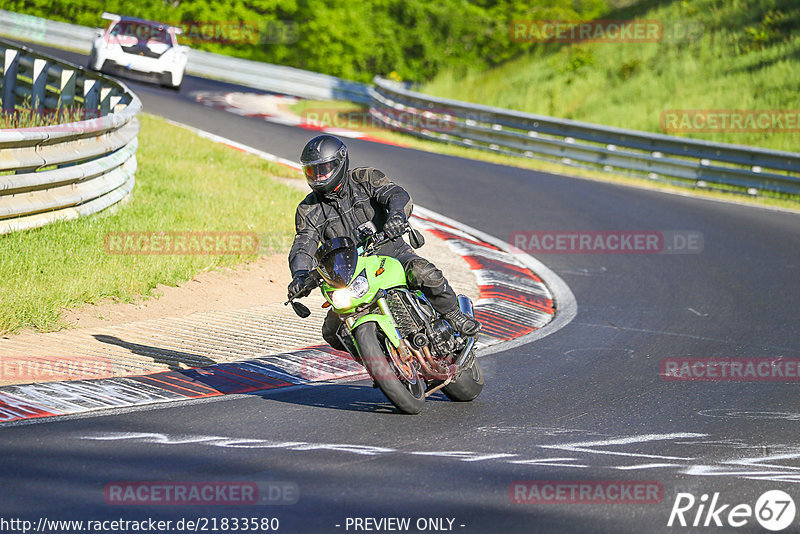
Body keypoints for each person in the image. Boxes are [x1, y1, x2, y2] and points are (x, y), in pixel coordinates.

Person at [287, 134, 481, 352]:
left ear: (340, 162)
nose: (319, 177)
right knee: (332, 332)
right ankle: (379, 360)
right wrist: (300, 275)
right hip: (349, 273)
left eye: (324, 169)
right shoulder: (308, 209)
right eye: (313, 171)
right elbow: (303, 244)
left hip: (390, 251)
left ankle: (454, 315)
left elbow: (397, 194)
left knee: (424, 272)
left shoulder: (364, 178)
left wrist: (397, 216)